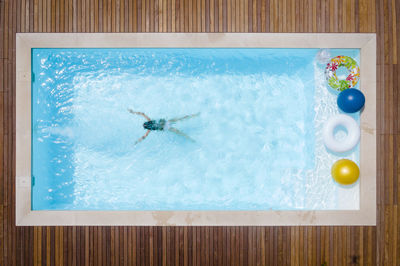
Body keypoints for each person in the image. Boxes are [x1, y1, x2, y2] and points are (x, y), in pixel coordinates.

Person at [128, 109, 199, 144]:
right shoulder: (149, 120)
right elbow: (142, 114)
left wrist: (137, 141)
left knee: (179, 132)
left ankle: (191, 139)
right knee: (182, 119)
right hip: (167, 123)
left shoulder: (149, 130)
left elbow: (144, 137)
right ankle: (195, 115)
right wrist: (133, 112)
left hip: (166, 127)